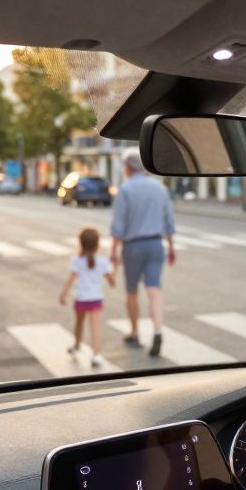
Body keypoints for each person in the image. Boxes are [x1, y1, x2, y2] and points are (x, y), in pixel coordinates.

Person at [110, 148, 176, 357]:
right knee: (154, 289)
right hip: (156, 244)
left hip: (133, 246)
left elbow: (118, 226)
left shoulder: (126, 189)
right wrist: (172, 246)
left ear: (127, 167)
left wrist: (113, 250)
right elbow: (169, 221)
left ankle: (135, 331)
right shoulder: (160, 188)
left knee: (131, 291)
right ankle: (157, 331)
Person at [59, 227, 115, 369]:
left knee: (79, 322)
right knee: (95, 327)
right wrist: (116, 267)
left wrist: (63, 294)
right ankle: (96, 355)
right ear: (97, 244)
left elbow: (71, 279)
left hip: (81, 299)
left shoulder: (77, 260)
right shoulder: (102, 262)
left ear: (81, 243)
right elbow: (112, 282)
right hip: (95, 299)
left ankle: (77, 345)